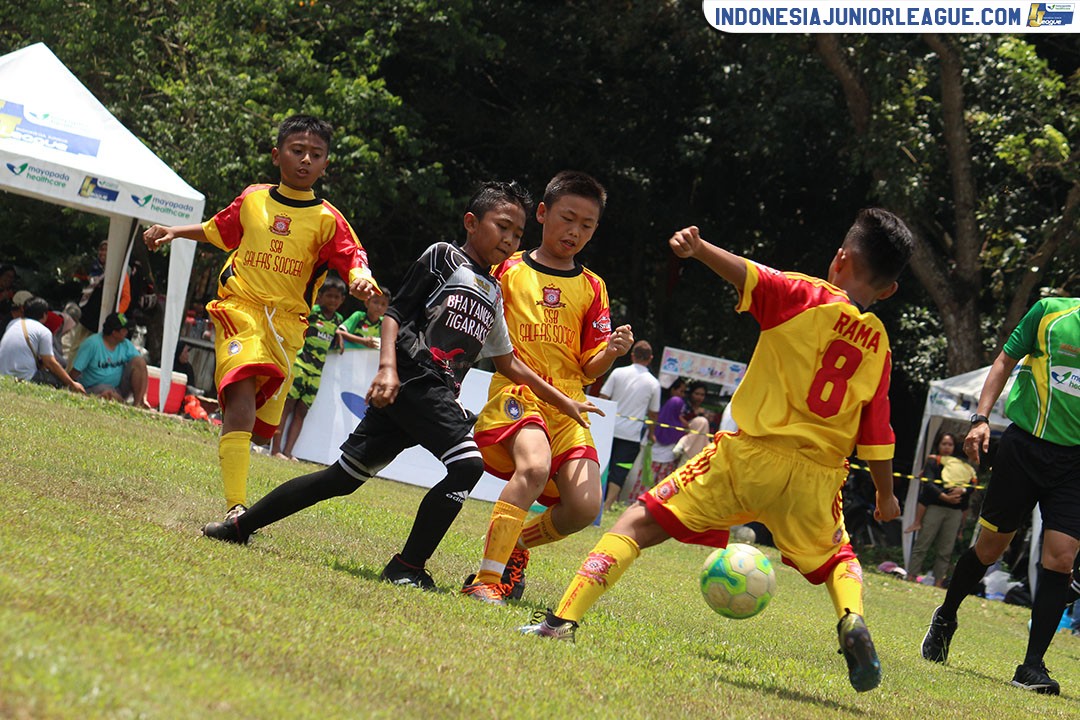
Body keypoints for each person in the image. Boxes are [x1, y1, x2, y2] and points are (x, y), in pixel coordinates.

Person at [520, 210, 914, 695]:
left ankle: (559, 622)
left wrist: (699, 250)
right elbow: (878, 431)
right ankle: (851, 617)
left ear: (840, 259)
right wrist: (886, 495)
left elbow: (749, 272)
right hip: (818, 476)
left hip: (749, 456)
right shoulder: (879, 344)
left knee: (635, 524)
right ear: (890, 291)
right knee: (839, 558)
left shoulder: (803, 295)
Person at [200, 181, 601, 589]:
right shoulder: (444, 257)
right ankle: (407, 567)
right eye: (502, 227)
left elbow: (508, 361)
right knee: (467, 465)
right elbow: (394, 314)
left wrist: (562, 401)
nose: (510, 239)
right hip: (413, 380)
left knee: (340, 478)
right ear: (471, 222)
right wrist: (387, 368)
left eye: (517, 234)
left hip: (429, 393)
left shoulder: (494, 290)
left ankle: (240, 526)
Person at [143, 114, 380, 523]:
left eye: (316, 154)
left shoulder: (328, 219)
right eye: (297, 150)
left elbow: (353, 258)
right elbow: (219, 228)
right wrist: (175, 231)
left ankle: (235, 459)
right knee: (239, 387)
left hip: (287, 328)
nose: (305, 159)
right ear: (277, 155)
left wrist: (361, 279)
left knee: (254, 421)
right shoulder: (253, 198)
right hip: (240, 310)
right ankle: (236, 504)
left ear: (326, 165)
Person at [462, 170, 634, 605]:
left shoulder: (594, 287)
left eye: (587, 225)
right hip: (516, 393)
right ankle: (485, 579)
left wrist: (612, 350)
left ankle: (516, 546)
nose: (574, 232)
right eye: (567, 218)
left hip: (570, 405)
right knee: (534, 469)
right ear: (542, 213)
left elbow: (589, 367)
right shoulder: (508, 268)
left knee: (583, 506)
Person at [920, 297, 1080, 696]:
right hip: (1024, 448)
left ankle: (1031, 666)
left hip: (1074, 464)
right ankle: (946, 617)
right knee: (991, 548)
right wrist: (980, 419)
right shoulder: (1050, 314)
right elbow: (1004, 363)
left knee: (1061, 556)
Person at [271, 276, 347, 459]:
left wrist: (341, 336)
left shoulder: (338, 320)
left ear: (342, 300)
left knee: (301, 411)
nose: (333, 301)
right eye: (329, 296)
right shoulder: (312, 312)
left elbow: (341, 334)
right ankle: (275, 450)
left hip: (316, 373)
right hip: (300, 365)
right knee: (286, 407)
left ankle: (289, 451)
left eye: (337, 297)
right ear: (320, 296)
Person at [904, 432, 977, 585]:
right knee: (923, 544)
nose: (946, 447)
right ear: (938, 445)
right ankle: (911, 576)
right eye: (943, 444)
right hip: (934, 507)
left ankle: (938, 582)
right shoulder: (933, 461)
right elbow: (928, 483)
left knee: (946, 550)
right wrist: (945, 497)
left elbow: (972, 486)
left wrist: (962, 491)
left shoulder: (962, 466)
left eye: (949, 444)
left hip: (955, 511)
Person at [599, 340, 660, 511]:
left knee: (600, 465)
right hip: (631, 435)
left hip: (609, 429)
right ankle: (607, 505)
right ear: (650, 359)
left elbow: (603, 397)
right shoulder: (653, 383)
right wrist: (651, 433)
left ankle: (593, 499)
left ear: (632, 355)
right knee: (621, 469)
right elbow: (654, 413)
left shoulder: (618, 373)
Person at [0, 295, 85, 394]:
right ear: (45, 315)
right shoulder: (43, 331)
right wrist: (72, 383)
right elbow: (50, 363)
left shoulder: (13, 323)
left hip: (2, 373)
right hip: (24, 376)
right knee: (58, 380)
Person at [70, 311, 149, 405]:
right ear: (114, 332)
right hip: (95, 387)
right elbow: (76, 370)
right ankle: (124, 404)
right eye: (124, 330)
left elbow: (140, 367)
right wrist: (70, 386)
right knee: (107, 392)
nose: (127, 332)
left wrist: (144, 397)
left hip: (118, 387)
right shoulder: (92, 344)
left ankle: (139, 403)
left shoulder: (125, 344)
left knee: (139, 362)